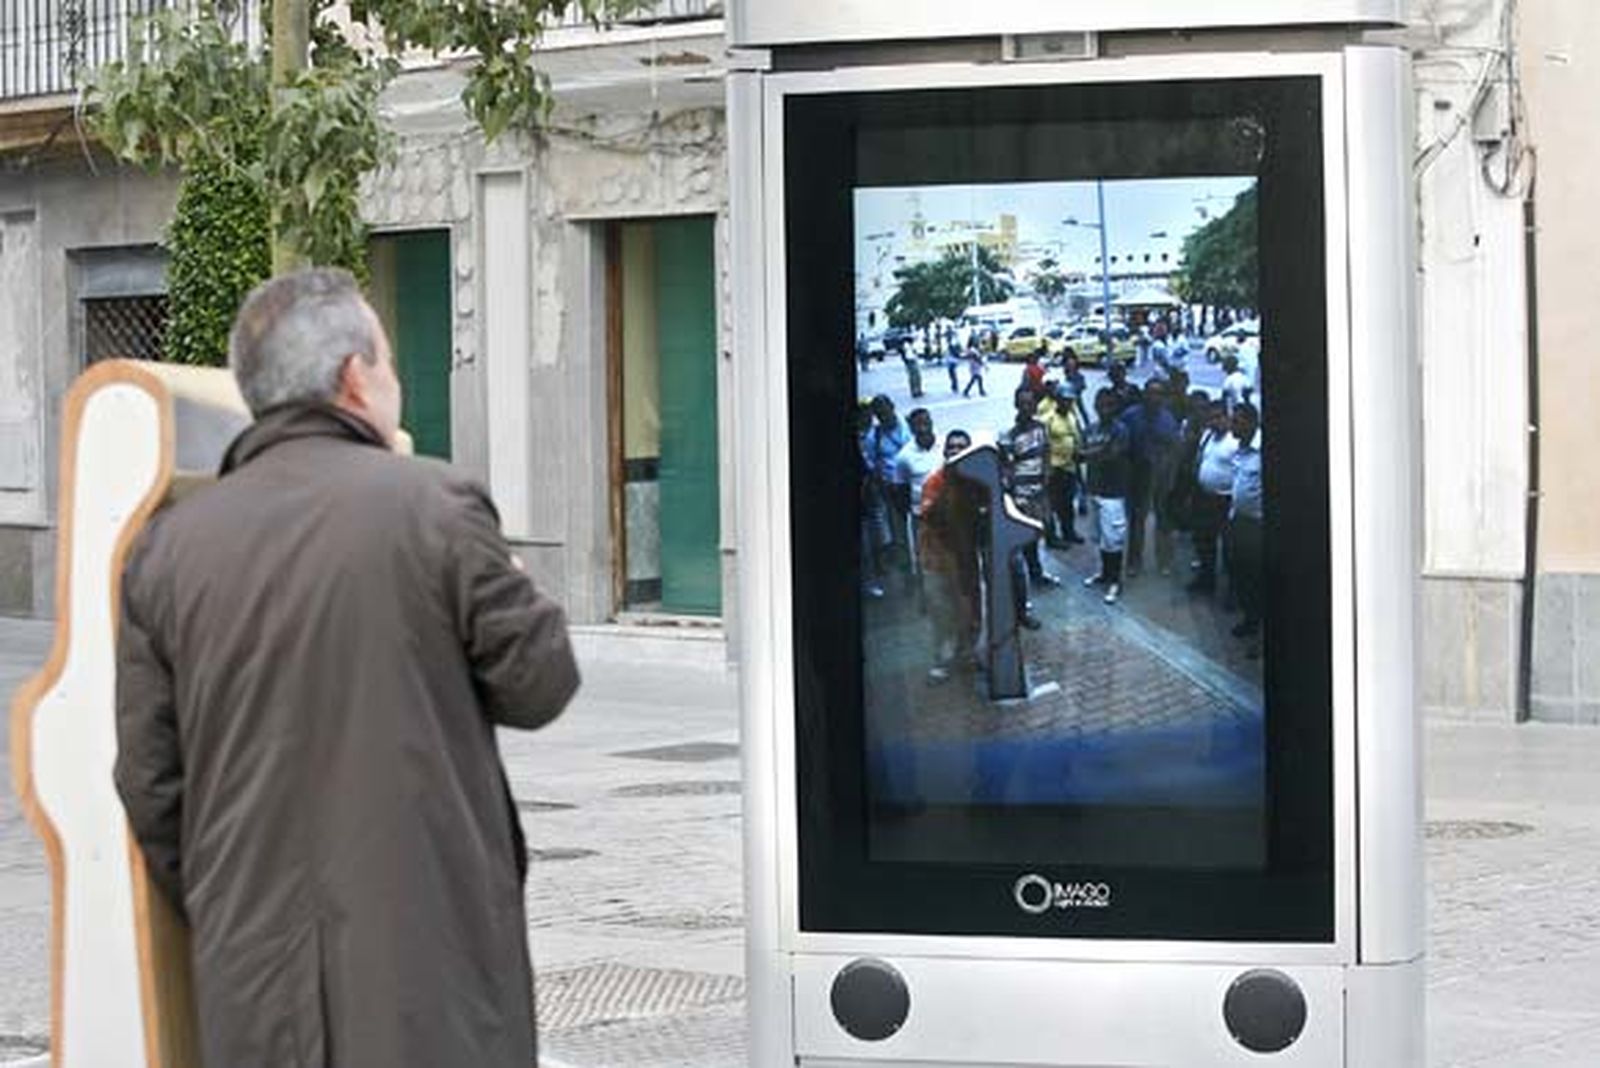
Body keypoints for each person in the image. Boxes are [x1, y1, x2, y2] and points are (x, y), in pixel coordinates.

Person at [113, 268, 578, 1068]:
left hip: (255, 987)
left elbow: (151, 784)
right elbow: (540, 684)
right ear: (356, 377)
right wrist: (519, 588)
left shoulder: (167, 549)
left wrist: (237, 901)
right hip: (430, 983)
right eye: (389, 362)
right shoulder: (436, 506)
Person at [919, 429, 981, 681]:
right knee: (942, 612)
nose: (955, 451)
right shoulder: (935, 481)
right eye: (952, 447)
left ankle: (967, 653)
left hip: (964, 558)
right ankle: (943, 662)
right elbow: (930, 516)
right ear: (945, 452)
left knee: (969, 608)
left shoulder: (975, 482)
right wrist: (950, 482)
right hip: (937, 558)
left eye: (961, 447)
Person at [998, 387, 1057, 629]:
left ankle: (1036, 573)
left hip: (1039, 494)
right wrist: (1012, 493)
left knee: (1035, 536)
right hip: (1020, 496)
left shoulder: (1041, 428)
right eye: (1022, 403)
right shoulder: (1008, 435)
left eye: (1030, 403)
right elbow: (1005, 466)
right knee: (1020, 543)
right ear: (1016, 405)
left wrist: (1046, 477)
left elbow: (1046, 453)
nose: (1026, 407)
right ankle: (1020, 596)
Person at [1078, 387, 1132, 604]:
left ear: (1115, 407)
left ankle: (1115, 581)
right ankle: (1104, 573)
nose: (1105, 410)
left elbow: (1112, 455)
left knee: (1114, 539)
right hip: (1094, 489)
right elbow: (1078, 454)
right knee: (1099, 537)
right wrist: (1095, 452)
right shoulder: (1090, 429)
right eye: (1101, 405)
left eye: (1109, 405)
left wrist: (1089, 453)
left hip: (1113, 493)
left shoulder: (1121, 429)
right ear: (1096, 406)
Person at [1187, 398, 1238, 594]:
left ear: (1227, 417)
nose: (1214, 422)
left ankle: (1232, 591)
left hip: (1225, 500)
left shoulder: (1234, 441)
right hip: (1204, 498)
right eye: (1211, 418)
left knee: (1229, 548)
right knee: (1203, 541)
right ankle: (1206, 581)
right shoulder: (1207, 436)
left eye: (1218, 418)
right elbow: (1199, 460)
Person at [1227, 402, 1265, 657]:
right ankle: (1250, 621)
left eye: (1238, 421)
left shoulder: (1262, 451)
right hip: (1238, 522)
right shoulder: (1240, 450)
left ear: (1252, 423)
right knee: (1241, 577)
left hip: (1257, 527)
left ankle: (1261, 639)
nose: (1233, 425)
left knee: (1259, 582)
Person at [892, 408, 943, 582]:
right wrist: (915, 511)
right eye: (917, 424)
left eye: (925, 422)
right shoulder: (903, 457)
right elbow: (899, 489)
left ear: (931, 422)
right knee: (926, 559)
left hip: (948, 513)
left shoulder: (945, 445)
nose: (922, 428)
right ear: (911, 428)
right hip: (922, 518)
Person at [1038, 381, 1085, 547]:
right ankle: (1051, 538)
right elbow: (1042, 445)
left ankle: (1068, 532)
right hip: (1053, 469)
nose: (1068, 403)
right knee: (1051, 505)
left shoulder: (1072, 417)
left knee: (1067, 504)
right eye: (1065, 400)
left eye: (1070, 400)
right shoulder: (1047, 419)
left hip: (1069, 467)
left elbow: (1077, 439)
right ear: (1058, 399)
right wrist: (1046, 468)